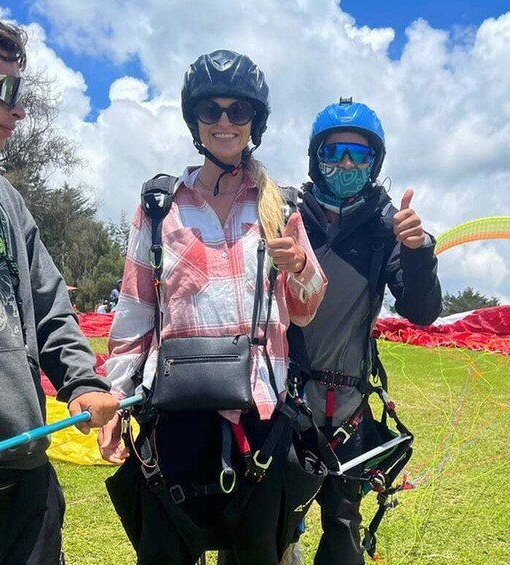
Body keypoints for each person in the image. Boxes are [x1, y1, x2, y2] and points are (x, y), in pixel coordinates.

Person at [97, 49, 327, 565]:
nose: (224, 122)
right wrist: (116, 396)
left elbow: (307, 309)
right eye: (211, 110)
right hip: (174, 418)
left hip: (260, 419)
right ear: (194, 120)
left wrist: (298, 270)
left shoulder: (282, 207)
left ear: (255, 122)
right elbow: (136, 312)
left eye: (238, 111)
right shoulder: (160, 207)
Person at [0, 3, 119, 564]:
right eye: (3, 88)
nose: (18, 108)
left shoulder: (6, 199)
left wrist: (82, 383)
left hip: (27, 479)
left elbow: (49, 309)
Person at [286, 98, 443, 565]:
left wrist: (417, 251)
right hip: (287, 402)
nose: (347, 164)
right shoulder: (289, 218)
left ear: (375, 164)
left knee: (342, 532)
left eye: (360, 154)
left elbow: (422, 310)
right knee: (266, 526)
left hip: (350, 407)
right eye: (335, 153)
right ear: (317, 158)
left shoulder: (384, 227)